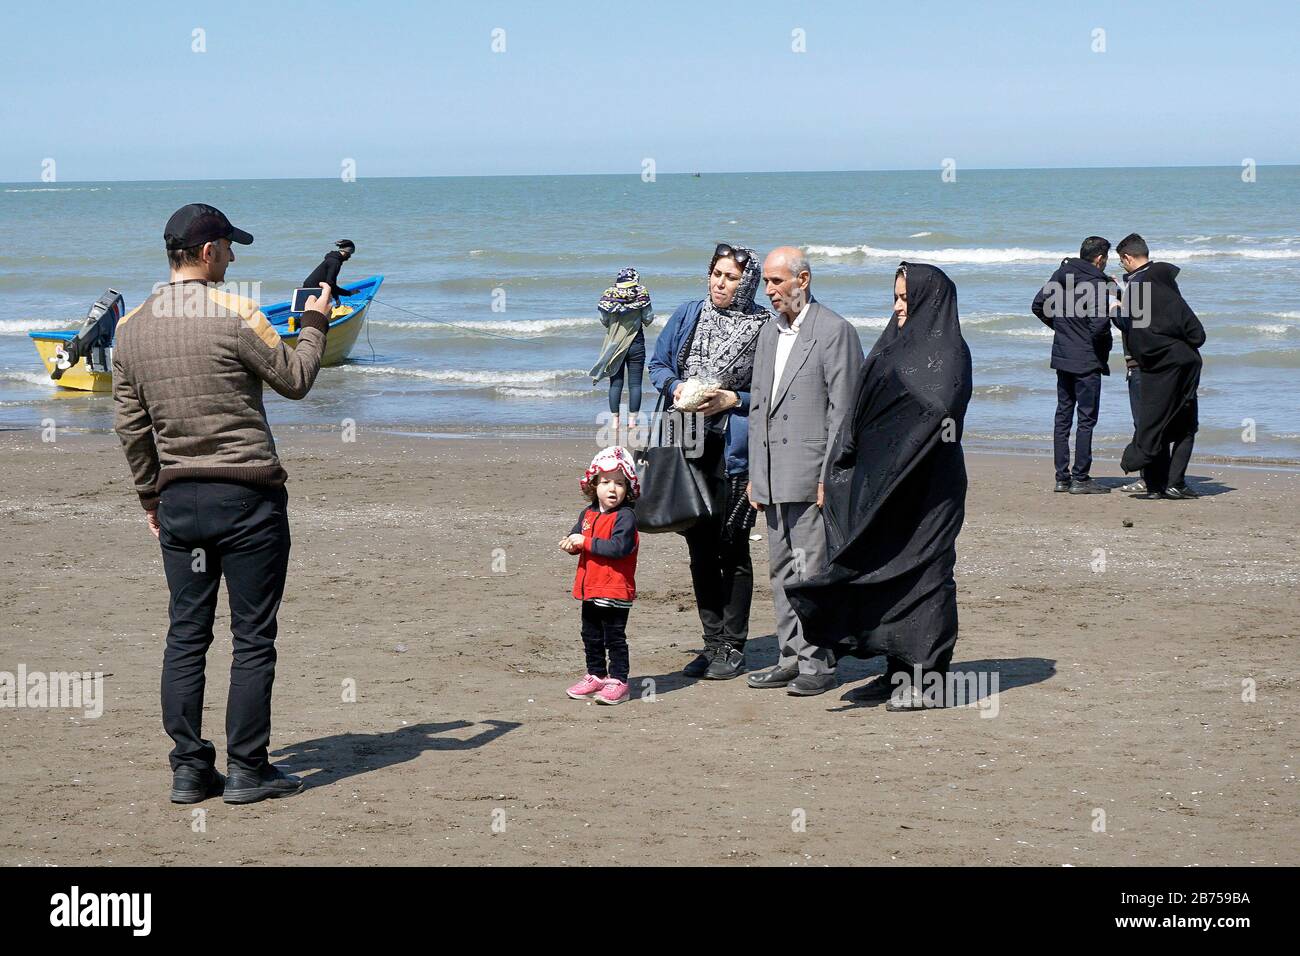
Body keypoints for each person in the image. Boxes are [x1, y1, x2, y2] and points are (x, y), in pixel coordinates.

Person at [113, 203, 332, 804]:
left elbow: (131, 429)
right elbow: (296, 378)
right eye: (230, 248)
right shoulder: (239, 314)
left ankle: (188, 767)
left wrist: (149, 495)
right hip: (247, 495)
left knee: (187, 633)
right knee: (253, 636)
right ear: (208, 252)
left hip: (180, 497)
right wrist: (315, 321)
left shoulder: (130, 328)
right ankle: (247, 768)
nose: (233, 258)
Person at [787, 262, 972, 711]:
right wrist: (842, 464)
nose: (898, 307)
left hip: (927, 491)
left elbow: (937, 412)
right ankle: (896, 672)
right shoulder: (892, 344)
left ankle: (927, 681)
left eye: (906, 299)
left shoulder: (949, 351)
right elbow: (859, 408)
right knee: (883, 572)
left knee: (925, 578)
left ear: (930, 300)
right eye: (895, 297)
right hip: (880, 485)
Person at [648, 243, 770, 680]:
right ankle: (712, 643)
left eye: (731, 277)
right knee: (699, 547)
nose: (720, 283)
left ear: (747, 282)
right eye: (716, 274)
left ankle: (735, 647)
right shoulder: (687, 314)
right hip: (685, 444)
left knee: (733, 546)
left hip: (734, 452)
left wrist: (731, 398)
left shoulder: (765, 330)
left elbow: (775, 395)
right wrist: (678, 387)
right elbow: (657, 364)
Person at [745, 247, 864, 697]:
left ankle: (819, 663)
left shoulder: (835, 331)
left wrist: (829, 479)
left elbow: (844, 413)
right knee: (780, 571)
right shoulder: (768, 334)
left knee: (811, 572)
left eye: (777, 282)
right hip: (773, 476)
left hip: (813, 475)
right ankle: (789, 657)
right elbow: (759, 406)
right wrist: (757, 473)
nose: (770, 291)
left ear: (804, 279)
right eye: (767, 283)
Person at [1115, 233, 1206, 500]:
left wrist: (1114, 307)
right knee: (1186, 428)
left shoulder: (1137, 290)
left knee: (1154, 426)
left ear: (1127, 258)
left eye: (1122, 263)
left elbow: (1135, 333)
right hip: (1183, 369)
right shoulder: (1168, 290)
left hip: (1151, 370)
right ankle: (1176, 483)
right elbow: (1197, 335)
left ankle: (1155, 486)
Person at [1031, 236, 1117, 494]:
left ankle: (1061, 477)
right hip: (1087, 359)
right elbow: (1099, 325)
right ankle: (1080, 478)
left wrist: (1062, 328)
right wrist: (1099, 346)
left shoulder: (1062, 274)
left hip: (1064, 356)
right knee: (1086, 419)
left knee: (1063, 417)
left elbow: (1038, 306)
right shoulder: (1095, 284)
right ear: (1100, 258)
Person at [561, 446, 640, 706]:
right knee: (590, 634)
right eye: (606, 482)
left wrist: (585, 542)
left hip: (615, 589)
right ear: (593, 485)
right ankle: (596, 674)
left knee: (614, 637)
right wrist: (572, 544)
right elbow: (578, 539)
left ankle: (619, 681)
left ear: (628, 489)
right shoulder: (587, 514)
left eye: (619, 483)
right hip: (589, 588)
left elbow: (619, 548)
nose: (612, 489)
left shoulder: (625, 517)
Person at [590, 268, 655, 447]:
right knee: (635, 384)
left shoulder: (608, 294)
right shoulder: (641, 293)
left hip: (614, 344)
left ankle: (615, 422)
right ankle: (633, 422)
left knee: (615, 383)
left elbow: (603, 320)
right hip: (636, 343)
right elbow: (648, 318)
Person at [303, 239, 357, 304]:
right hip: (314, 289)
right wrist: (348, 293)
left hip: (307, 287)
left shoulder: (332, 259)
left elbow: (331, 282)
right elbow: (330, 283)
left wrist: (336, 298)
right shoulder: (335, 262)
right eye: (350, 254)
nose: (350, 257)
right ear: (346, 252)